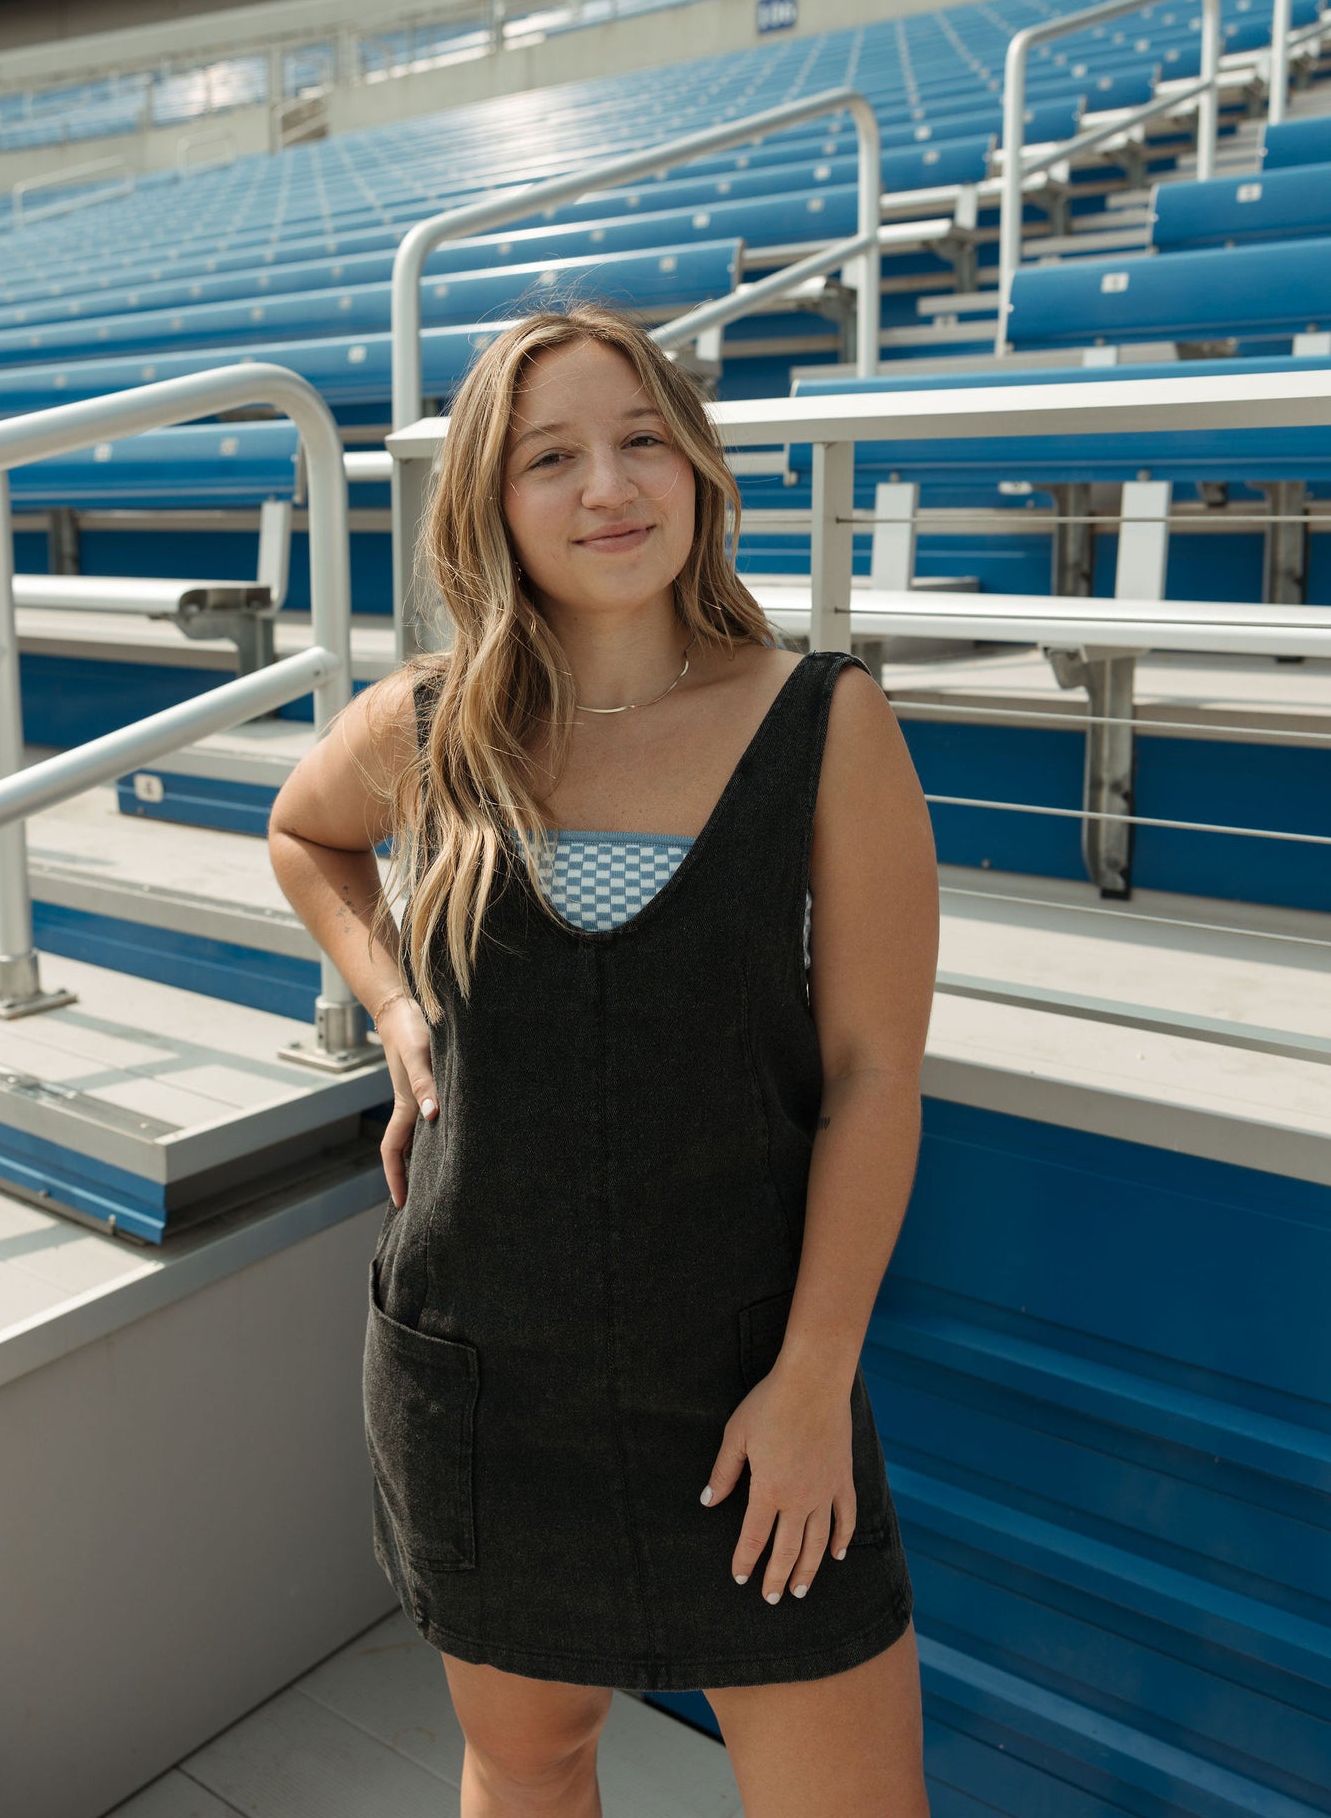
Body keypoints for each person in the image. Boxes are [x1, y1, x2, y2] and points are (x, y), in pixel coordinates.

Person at [268, 303, 939, 1817]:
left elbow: (874, 1080)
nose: (606, 487)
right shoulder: (435, 724)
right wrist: (393, 1011)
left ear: (697, 467)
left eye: (641, 440)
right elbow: (306, 837)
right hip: (484, 1382)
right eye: (548, 456)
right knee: (529, 1767)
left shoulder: (823, 722)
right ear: (491, 505)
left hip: (753, 1387)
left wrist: (812, 1380)